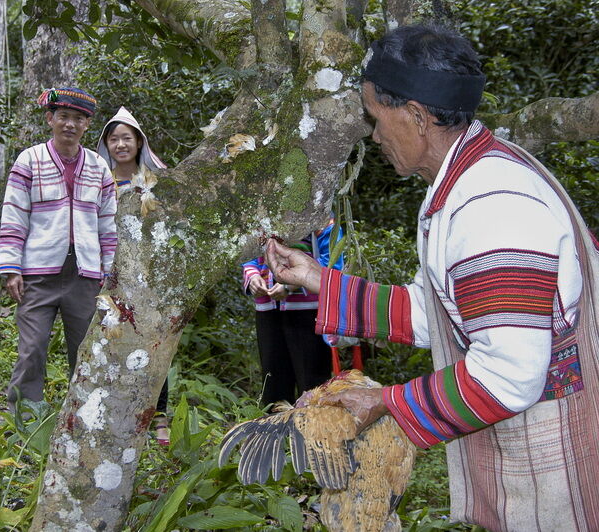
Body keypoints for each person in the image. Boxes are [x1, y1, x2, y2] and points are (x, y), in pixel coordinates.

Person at [266, 24, 599, 531]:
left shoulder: (492, 209)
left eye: (377, 118)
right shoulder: (470, 180)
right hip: (535, 435)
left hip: (555, 446)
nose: (374, 135)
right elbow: (438, 315)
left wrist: (384, 403)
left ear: (417, 117)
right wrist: (317, 278)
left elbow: (508, 376)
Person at [0, 88, 117, 412]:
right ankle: (24, 414)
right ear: (50, 119)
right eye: (63, 116)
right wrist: (11, 268)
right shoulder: (30, 160)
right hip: (38, 273)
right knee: (32, 347)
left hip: (85, 275)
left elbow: (107, 225)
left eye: (78, 118)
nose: (70, 124)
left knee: (85, 349)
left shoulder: (98, 167)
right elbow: (14, 215)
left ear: (87, 125)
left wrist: (108, 273)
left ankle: (82, 415)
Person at [97, 106, 170, 445]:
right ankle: (117, 410)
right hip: (109, 272)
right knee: (111, 340)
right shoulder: (99, 178)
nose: (120, 144)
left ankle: (159, 413)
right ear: (106, 144)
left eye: (127, 138)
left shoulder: (158, 179)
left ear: (139, 142)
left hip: (150, 272)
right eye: (114, 139)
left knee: (153, 341)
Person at [242, 220, 343, 408]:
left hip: (309, 310)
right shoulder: (261, 210)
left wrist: (292, 283)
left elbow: (333, 263)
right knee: (273, 382)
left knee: (313, 383)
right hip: (268, 308)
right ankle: (277, 435)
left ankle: (316, 434)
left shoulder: (318, 212)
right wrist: (253, 275)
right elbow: (248, 250)